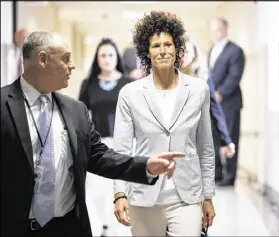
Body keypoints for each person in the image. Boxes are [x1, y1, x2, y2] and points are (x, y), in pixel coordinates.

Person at [0, 31, 185, 237]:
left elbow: (98, 156)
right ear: (42, 59)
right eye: (66, 58)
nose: (73, 65)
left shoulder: (74, 110)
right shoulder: (3, 105)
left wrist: (145, 166)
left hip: (68, 228)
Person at [113, 11, 216, 237]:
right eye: (155, 45)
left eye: (168, 44)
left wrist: (207, 197)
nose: (162, 51)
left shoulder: (198, 90)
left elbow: (205, 148)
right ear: (146, 52)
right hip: (143, 197)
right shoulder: (130, 94)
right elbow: (121, 150)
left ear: (177, 48)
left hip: (186, 197)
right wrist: (120, 194)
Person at [78, 37, 134, 235]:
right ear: (97, 59)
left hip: (124, 144)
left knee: (120, 188)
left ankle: (117, 227)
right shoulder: (89, 84)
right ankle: (106, 224)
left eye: (110, 55)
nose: (107, 59)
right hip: (98, 144)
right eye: (103, 55)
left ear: (116, 57)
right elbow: (81, 114)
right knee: (97, 190)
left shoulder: (128, 83)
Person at [181, 35, 235, 161]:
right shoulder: (167, 76)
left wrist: (225, 139)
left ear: (195, 53)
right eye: (181, 52)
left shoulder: (203, 77)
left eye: (187, 52)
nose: (184, 56)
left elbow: (215, 108)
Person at [208, 17, 245, 186]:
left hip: (229, 104)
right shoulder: (212, 50)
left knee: (230, 140)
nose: (214, 33)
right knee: (214, 139)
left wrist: (220, 93)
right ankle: (217, 174)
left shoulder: (235, 51)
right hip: (213, 105)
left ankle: (230, 177)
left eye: (217, 30)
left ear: (225, 30)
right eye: (212, 30)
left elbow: (234, 76)